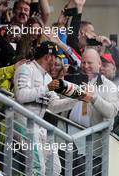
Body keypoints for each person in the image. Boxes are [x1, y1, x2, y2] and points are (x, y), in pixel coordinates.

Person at [13, 41, 78, 175]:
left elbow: (54, 106)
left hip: (40, 126)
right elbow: (20, 95)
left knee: (55, 169)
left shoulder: (47, 77)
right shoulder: (26, 69)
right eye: (55, 58)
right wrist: (46, 88)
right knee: (38, 169)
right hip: (24, 124)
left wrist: (77, 99)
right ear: (49, 57)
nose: (56, 62)